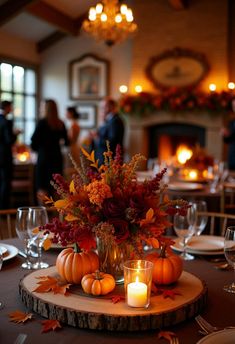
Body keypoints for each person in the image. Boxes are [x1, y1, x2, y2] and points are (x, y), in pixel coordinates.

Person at [31, 99, 69, 200]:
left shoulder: (42, 123)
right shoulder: (60, 123)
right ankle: (56, 214)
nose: (40, 108)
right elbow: (66, 142)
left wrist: (38, 149)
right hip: (56, 158)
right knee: (56, 187)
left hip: (44, 158)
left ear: (46, 108)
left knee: (42, 187)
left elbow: (33, 141)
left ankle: (43, 214)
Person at [92, 97, 125, 165]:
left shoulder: (115, 121)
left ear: (112, 106)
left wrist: (97, 138)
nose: (102, 109)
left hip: (109, 158)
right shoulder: (108, 120)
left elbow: (112, 141)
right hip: (103, 157)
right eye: (101, 107)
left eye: (104, 107)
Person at [0, 100, 18, 209]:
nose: (11, 109)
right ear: (7, 107)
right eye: (11, 107)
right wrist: (16, 134)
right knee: (6, 182)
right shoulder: (7, 122)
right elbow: (9, 140)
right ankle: (4, 209)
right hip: (5, 156)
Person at [221, 98, 235, 170]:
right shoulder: (232, 122)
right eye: (233, 106)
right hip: (232, 158)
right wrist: (225, 135)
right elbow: (228, 141)